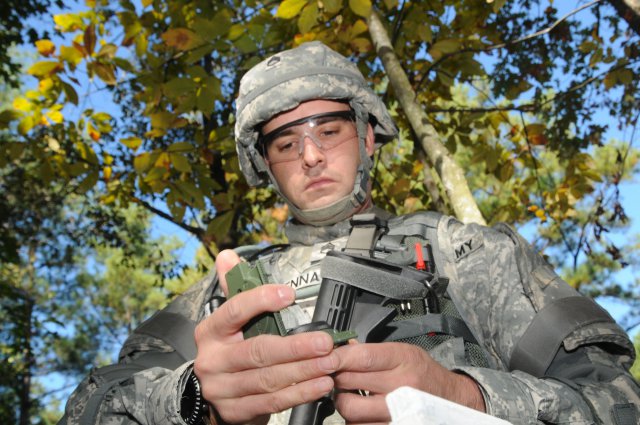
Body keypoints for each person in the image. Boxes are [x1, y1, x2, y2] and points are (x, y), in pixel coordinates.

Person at [60, 41, 640, 425]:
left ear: (367, 137)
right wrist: (189, 398)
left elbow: (618, 403)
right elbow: (90, 406)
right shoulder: (223, 291)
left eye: (329, 131)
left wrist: (469, 395)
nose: (310, 155)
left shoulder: (467, 253)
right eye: (285, 143)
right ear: (265, 166)